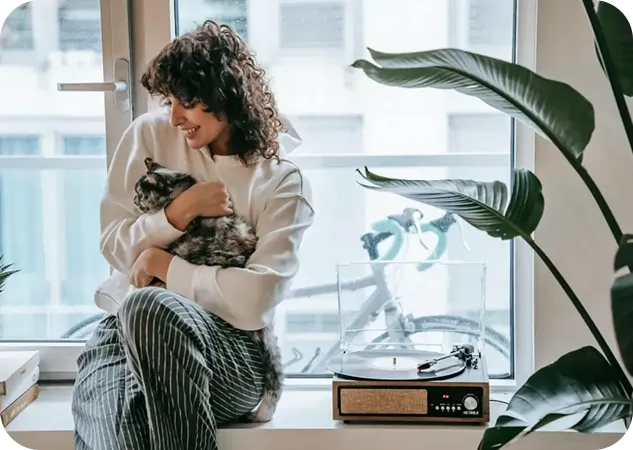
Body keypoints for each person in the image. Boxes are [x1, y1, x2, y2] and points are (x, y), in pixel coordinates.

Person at [71, 20, 315, 450]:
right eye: (168, 102)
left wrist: (164, 264)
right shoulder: (150, 135)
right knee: (117, 432)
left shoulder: (280, 180)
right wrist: (177, 213)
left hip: (233, 351)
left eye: (186, 102)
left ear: (226, 94)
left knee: (149, 303)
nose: (174, 117)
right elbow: (114, 246)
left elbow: (255, 300)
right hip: (122, 340)